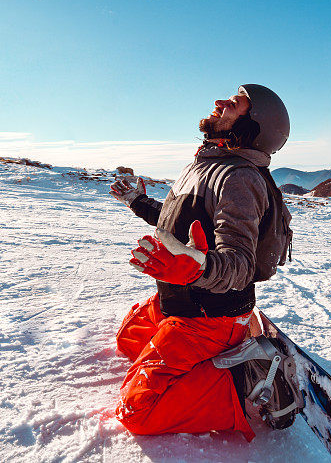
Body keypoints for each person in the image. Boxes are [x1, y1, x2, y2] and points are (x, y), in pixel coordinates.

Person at [109, 84, 293, 441]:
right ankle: (219, 354)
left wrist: (199, 267)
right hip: (180, 300)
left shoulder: (239, 178)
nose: (220, 102)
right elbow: (178, 218)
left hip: (209, 316)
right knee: (128, 340)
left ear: (254, 125)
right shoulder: (205, 164)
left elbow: (240, 262)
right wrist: (137, 201)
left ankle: (244, 379)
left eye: (236, 104)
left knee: (138, 411)